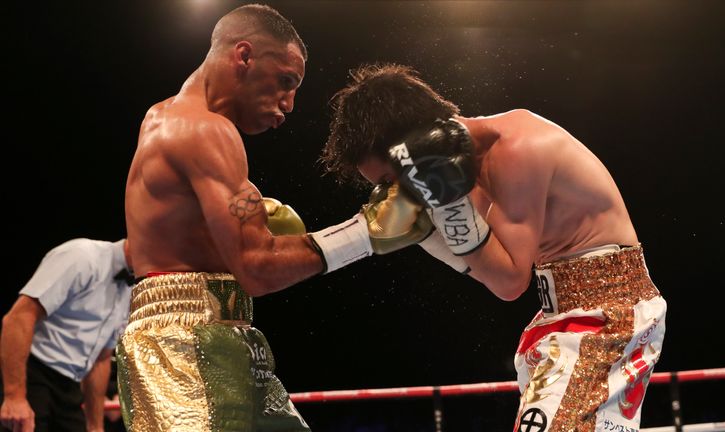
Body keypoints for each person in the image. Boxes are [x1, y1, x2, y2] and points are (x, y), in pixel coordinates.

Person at [121, 5, 432, 432]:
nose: (288, 104)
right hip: (185, 346)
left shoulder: (166, 118)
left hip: (219, 333)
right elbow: (258, 269)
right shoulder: (205, 131)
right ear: (244, 56)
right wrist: (369, 229)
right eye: (286, 81)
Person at [320, 63, 667, 432]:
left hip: (608, 314)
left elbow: (510, 282)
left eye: (391, 179)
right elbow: (490, 268)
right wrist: (427, 235)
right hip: (563, 316)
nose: (396, 193)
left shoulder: (516, 149)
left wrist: (445, 211)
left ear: (414, 143)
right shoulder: (461, 174)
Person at [0, 238, 133, 432]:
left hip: (70, 386)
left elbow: (101, 358)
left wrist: (95, 426)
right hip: (32, 374)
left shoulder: (132, 287)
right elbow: (17, 319)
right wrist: (15, 397)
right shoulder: (82, 256)